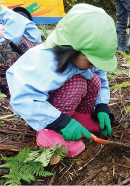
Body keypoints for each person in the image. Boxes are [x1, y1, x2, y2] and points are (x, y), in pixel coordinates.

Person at [6, 3, 117, 158]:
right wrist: (59, 122)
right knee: (77, 84)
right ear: (71, 49)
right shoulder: (45, 61)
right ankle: (49, 133)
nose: (93, 66)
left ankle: (81, 117)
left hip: (60, 102)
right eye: (91, 62)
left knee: (95, 80)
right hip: (40, 110)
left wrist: (101, 105)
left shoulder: (84, 58)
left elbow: (101, 77)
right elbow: (25, 98)